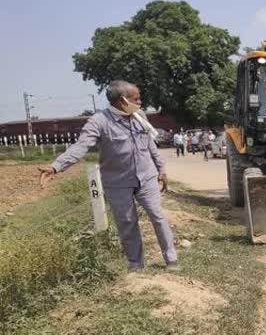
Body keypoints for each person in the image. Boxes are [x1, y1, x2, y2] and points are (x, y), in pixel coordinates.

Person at [38, 80, 179, 272]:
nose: (140, 101)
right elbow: (81, 147)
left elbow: (150, 144)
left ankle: (171, 260)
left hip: (146, 177)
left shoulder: (139, 115)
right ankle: (136, 265)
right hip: (118, 182)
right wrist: (56, 167)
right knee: (127, 222)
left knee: (158, 215)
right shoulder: (99, 121)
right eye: (136, 98)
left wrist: (161, 169)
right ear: (122, 100)